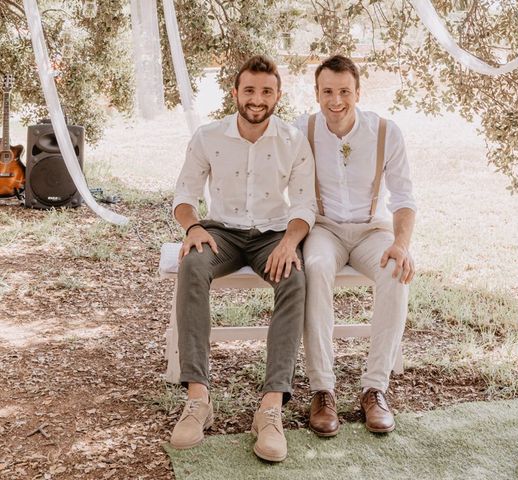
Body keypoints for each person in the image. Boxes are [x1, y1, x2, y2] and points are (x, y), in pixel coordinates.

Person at [170, 55, 315, 462]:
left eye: (266, 91)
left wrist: (290, 241)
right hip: (222, 232)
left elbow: (305, 203)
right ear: (235, 93)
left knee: (295, 279)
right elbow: (184, 195)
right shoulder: (208, 136)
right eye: (249, 90)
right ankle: (199, 399)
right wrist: (193, 228)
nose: (257, 99)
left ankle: (270, 408)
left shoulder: (292, 139)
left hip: (273, 234)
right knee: (193, 265)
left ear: (278, 95)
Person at [294, 55, 417, 436]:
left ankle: (375, 388)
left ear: (358, 92)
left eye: (344, 91)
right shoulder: (302, 130)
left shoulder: (385, 132)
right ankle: (322, 390)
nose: (336, 100)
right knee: (314, 267)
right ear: (316, 93)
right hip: (324, 229)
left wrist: (401, 244)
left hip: (370, 230)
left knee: (396, 271)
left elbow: (404, 196)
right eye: (327, 91)